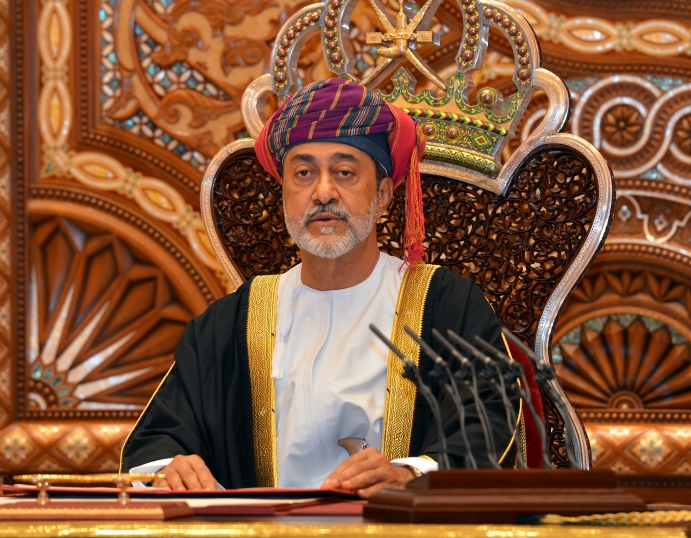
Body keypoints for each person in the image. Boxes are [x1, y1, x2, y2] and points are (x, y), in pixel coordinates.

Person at [119, 77, 516, 497]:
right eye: (304, 173)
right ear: (284, 195)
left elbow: (491, 427)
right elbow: (157, 443)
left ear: (383, 195)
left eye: (344, 173)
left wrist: (410, 475)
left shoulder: (447, 306)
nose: (323, 192)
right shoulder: (233, 322)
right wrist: (169, 470)